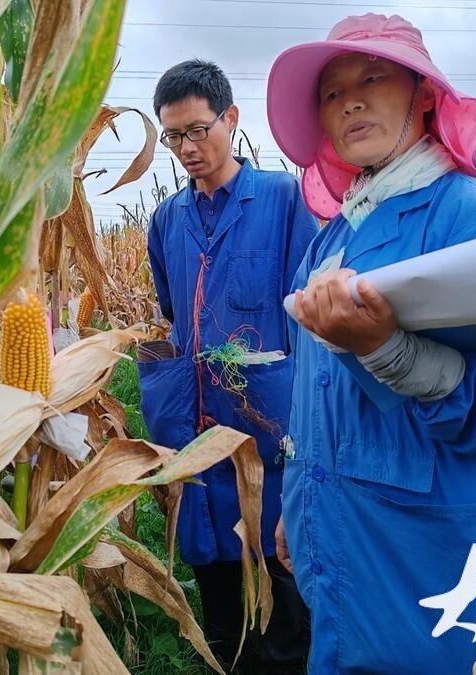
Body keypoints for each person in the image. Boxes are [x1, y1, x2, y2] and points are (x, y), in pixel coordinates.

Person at [266, 14, 476, 673]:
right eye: (332, 91)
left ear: (424, 96)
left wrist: (389, 351)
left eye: (373, 77)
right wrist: (300, 498)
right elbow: (317, 393)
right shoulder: (332, 237)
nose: (351, 99)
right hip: (345, 546)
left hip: (438, 563)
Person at [137, 60, 317, 673]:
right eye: (173, 137)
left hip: (267, 424)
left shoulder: (285, 199)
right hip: (195, 425)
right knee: (211, 554)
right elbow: (172, 310)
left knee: (277, 557)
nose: (187, 148)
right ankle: (226, 657)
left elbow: (305, 312)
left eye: (198, 130)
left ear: (231, 119)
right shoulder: (165, 221)